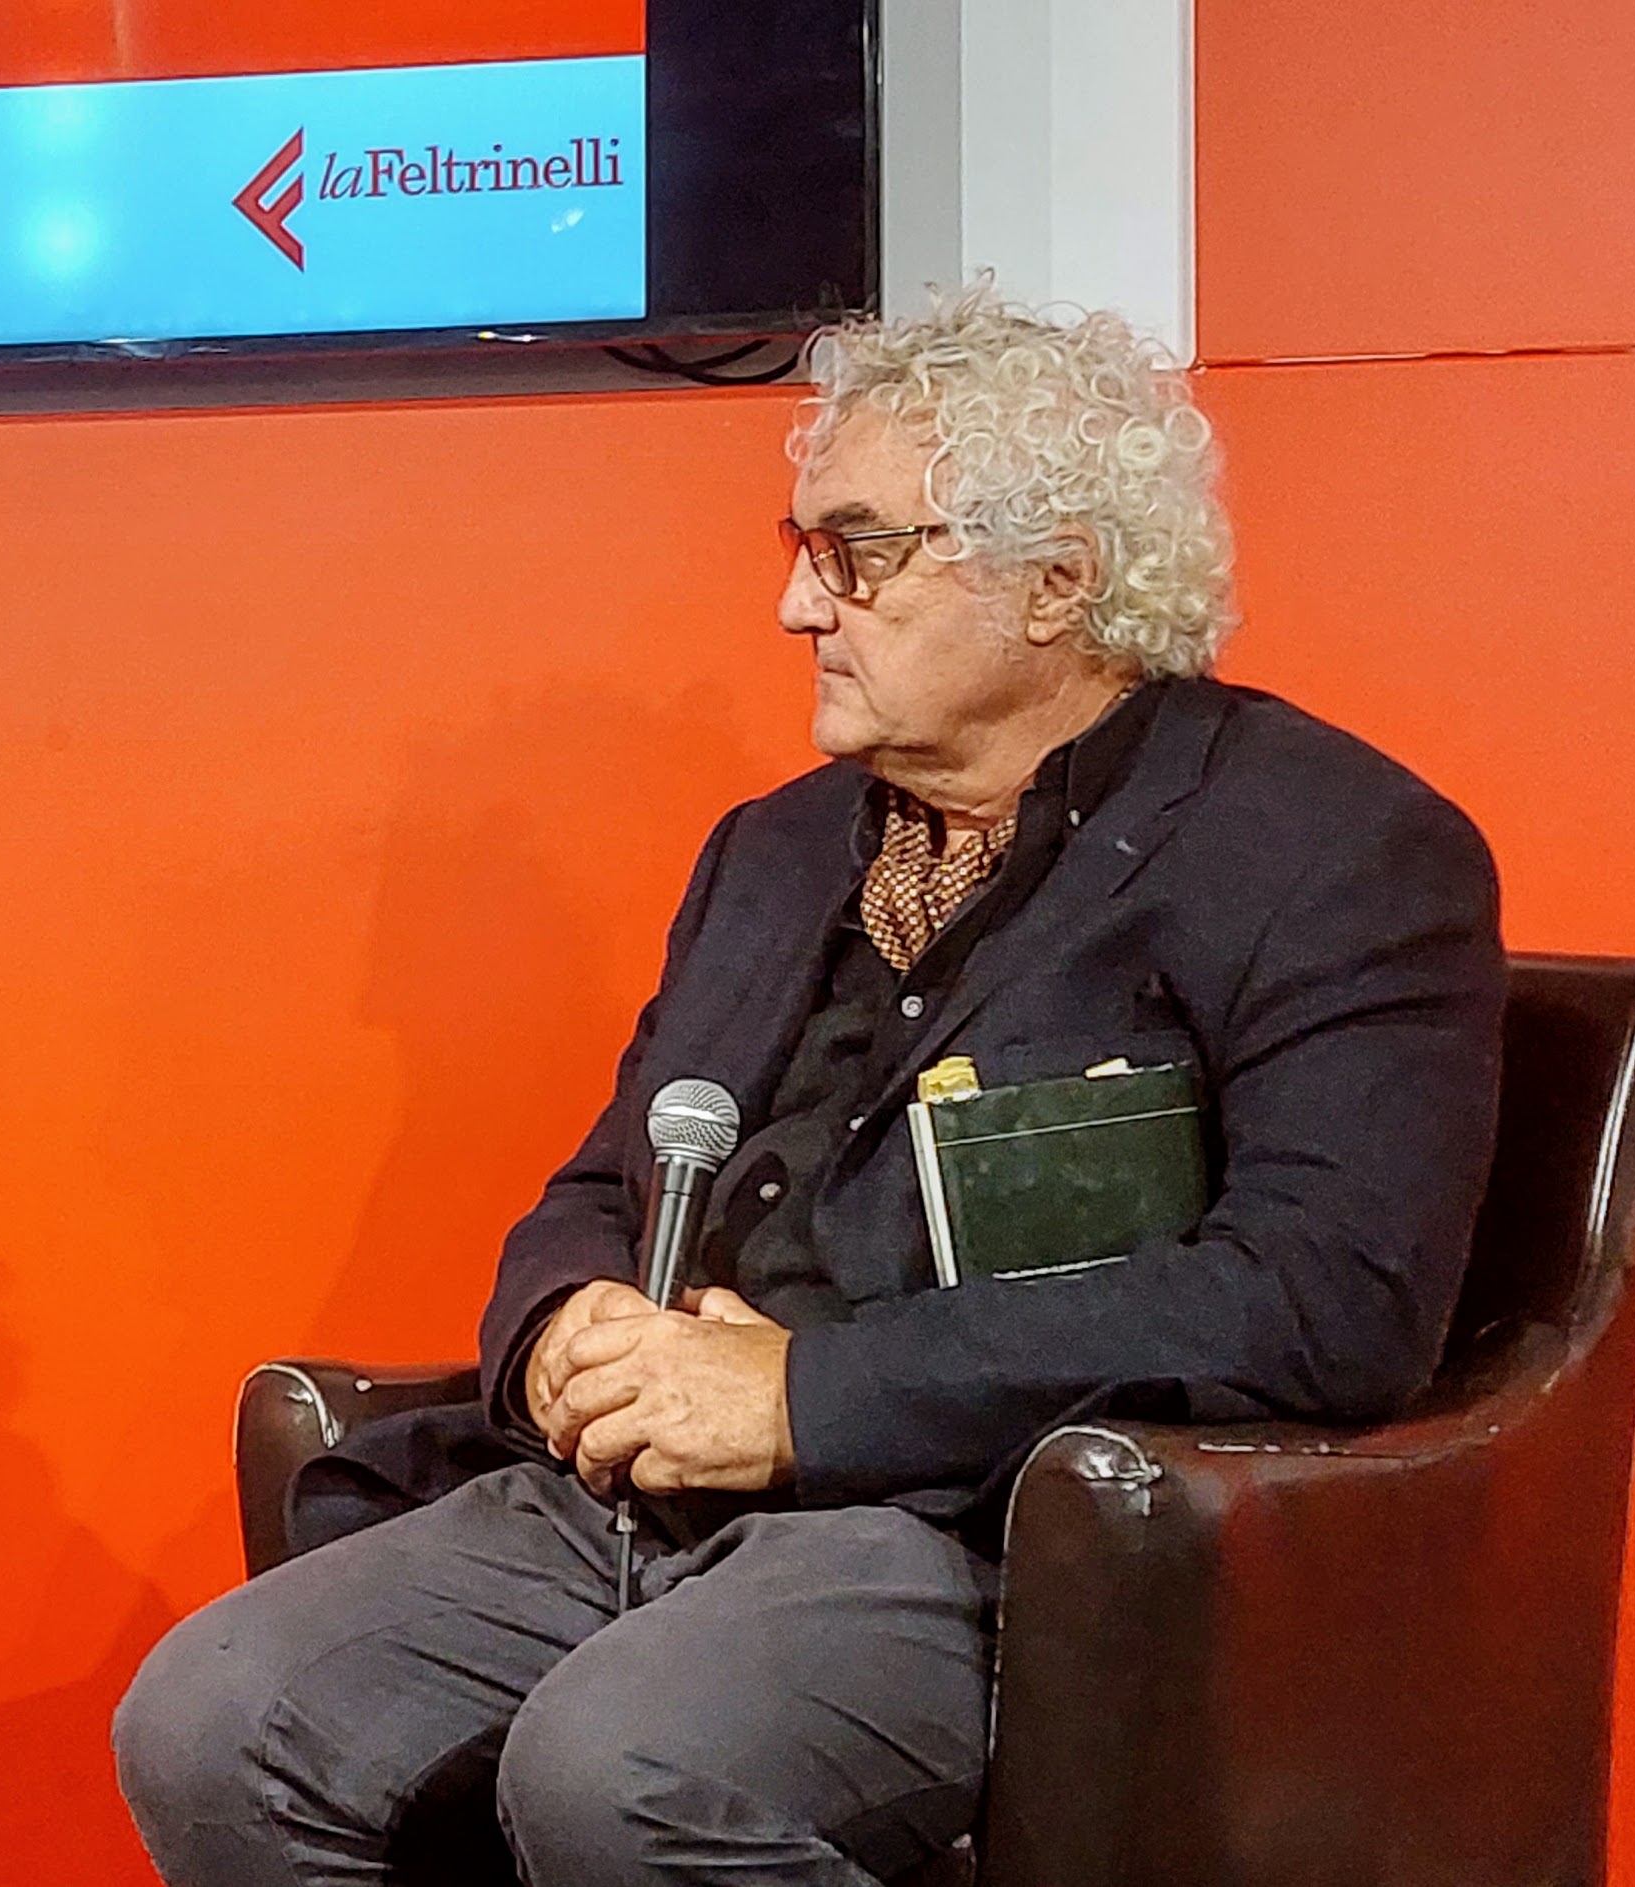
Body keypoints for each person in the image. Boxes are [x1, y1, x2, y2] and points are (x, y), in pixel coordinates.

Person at [111, 285, 1510, 1886]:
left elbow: (1326, 1299)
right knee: (213, 1717)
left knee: (626, 1769)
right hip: (637, 1504)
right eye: (802, 547)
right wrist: (566, 1330)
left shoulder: (1327, 849)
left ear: (1056, 582)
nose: (796, 606)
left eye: (860, 553)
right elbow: (609, 1184)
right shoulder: (773, 853)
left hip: (974, 1525)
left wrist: (799, 1397)